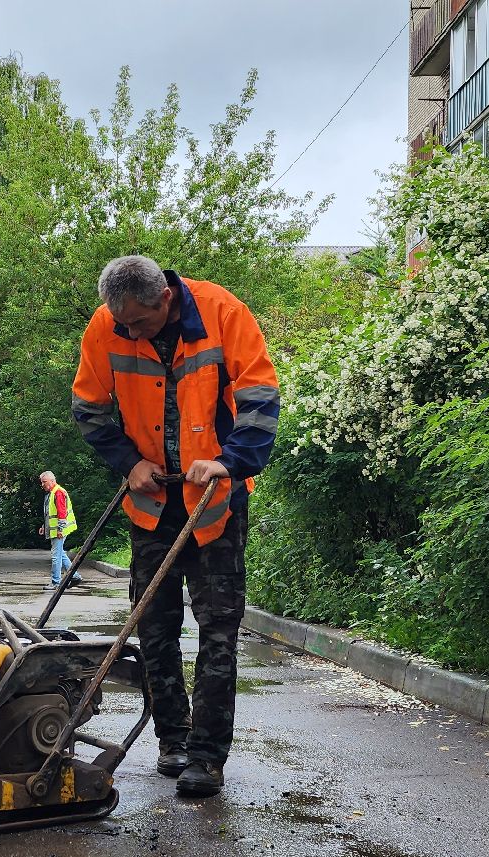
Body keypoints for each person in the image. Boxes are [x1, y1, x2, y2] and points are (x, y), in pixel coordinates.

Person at [70, 255, 280, 798]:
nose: (129, 331)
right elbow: (88, 407)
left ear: (164, 298)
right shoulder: (108, 325)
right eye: (122, 323)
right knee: (155, 629)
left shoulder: (222, 312)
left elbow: (260, 398)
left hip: (215, 505)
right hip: (151, 504)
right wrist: (127, 461)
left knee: (217, 632)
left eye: (138, 323)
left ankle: (207, 757)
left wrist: (229, 462)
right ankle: (174, 740)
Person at [37, 470, 83, 589]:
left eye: (44, 482)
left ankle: (55, 582)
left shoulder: (58, 492)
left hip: (59, 530)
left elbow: (62, 513)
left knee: (56, 556)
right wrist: (44, 527)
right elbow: (50, 514)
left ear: (52, 481)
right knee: (60, 553)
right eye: (42, 482)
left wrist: (60, 529)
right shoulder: (52, 493)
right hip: (56, 529)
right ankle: (75, 576)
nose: (42, 485)